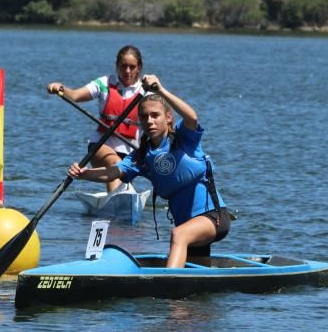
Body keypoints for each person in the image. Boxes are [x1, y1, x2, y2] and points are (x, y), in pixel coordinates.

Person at [69, 74, 231, 268]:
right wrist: (83, 174)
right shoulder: (141, 157)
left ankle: (169, 288)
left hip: (214, 217)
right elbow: (112, 173)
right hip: (189, 226)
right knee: (197, 274)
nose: (149, 121)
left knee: (178, 234)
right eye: (144, 117)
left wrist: (160, 90)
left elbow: (192, 117)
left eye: (155, 115)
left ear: (168, 118)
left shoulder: (184, 139)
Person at [47, 45, 144, 193]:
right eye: (123, 66)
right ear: (117, 65)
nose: (127, 71)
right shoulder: (103, 84)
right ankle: (115, 201)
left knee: (124, 178)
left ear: (139, 68)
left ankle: (119, 197)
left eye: (132, 67)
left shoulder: (146, 92)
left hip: (130, 152)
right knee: (115, 163)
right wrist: (60, 88)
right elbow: (75, 95)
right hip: (100, 146)